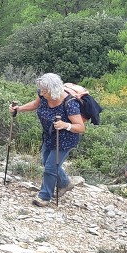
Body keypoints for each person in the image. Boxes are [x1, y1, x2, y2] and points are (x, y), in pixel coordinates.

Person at [10, 73, 85, 207]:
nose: (42, 94)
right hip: (49, 136)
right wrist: (18, 109)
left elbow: (80, 127)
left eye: (44, 91)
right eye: (41, 90)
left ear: (53, 90)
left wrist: (65, 125)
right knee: (46, 161)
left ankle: (44, 196)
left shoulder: (70, 104)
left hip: (65, 140)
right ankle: (65, 183)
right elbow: (35, 104)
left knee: (50, 167)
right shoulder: (43, 95)